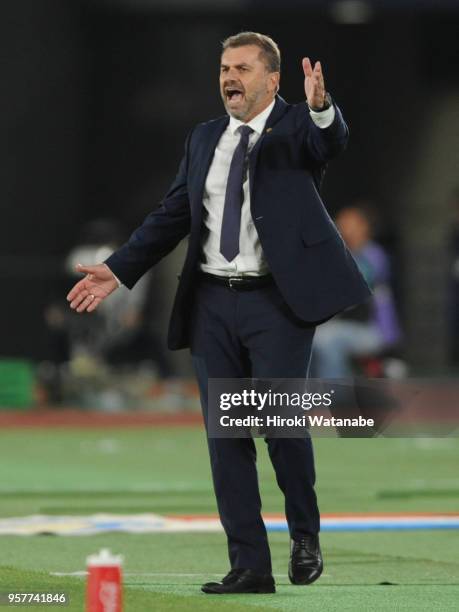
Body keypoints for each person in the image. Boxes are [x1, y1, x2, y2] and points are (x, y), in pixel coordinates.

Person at [67, 32, 370, 595]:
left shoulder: (297, 127)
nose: (230, 78)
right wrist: (119, 268)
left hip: (276, 303)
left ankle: (305, 533)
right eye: (224, 68)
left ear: (272, 79)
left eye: (243, 69)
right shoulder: (204, 138)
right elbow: (171, 215)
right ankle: (250, 565)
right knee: (226, 435)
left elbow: (332, 142)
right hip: (211, 301)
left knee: (279, 424)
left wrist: (322, 108)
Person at [312, 206, 402, 378]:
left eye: (350, 224)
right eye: (341, 223)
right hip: (346, 325)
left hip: (375, 330)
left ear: (364, 227)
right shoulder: (338, 253)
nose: (344, 228)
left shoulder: (374, 255)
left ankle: (336, 395)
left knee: (326, 339)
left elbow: (351, 290)